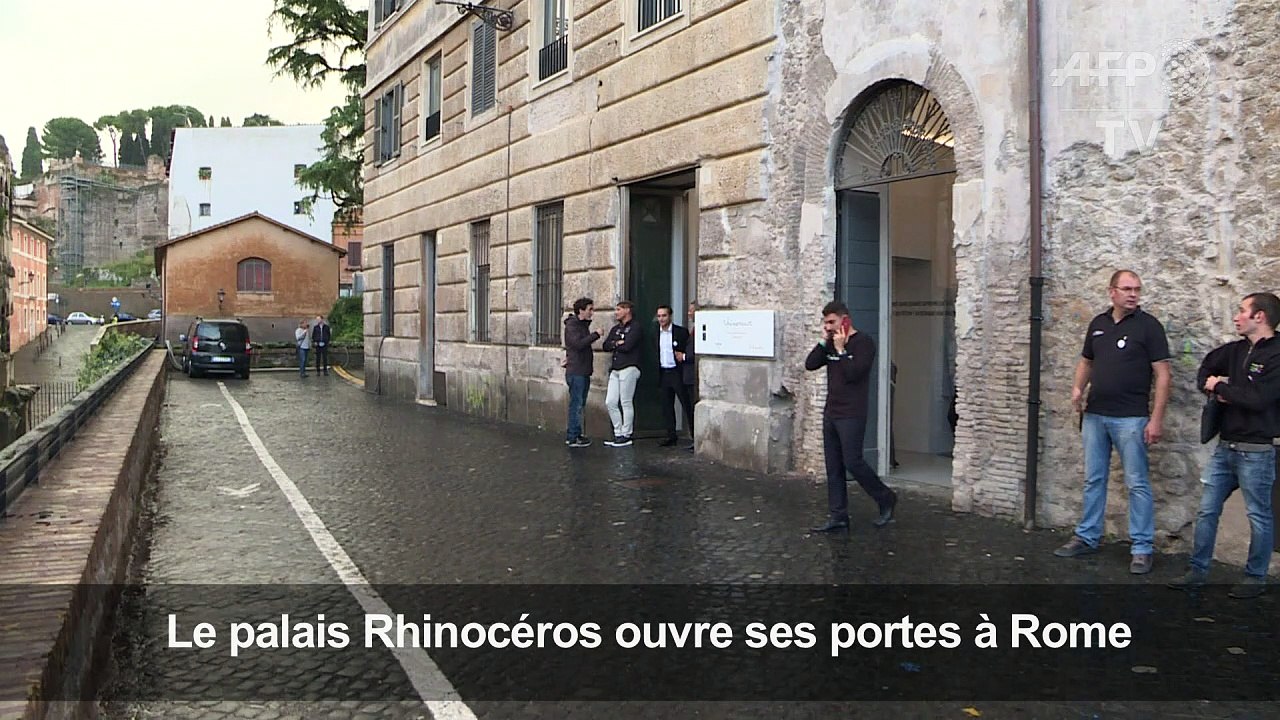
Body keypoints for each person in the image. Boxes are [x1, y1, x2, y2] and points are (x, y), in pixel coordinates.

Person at [1054, 270, 1170, 575]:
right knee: (1094, 479)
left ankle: (1142, 547)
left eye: (1137, 289)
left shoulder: (1149, 326)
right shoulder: (1098, 324)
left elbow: (1163, 375)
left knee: (1137, 482)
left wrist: (1156, 419)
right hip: (1096, 415)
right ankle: (1087, 536)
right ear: (1112, 292)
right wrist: (1077, 388)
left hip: (1131, 418)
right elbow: (1086, 361)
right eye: (1127, 289)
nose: (1133, 294)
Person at [1169, 292, 1280, 598]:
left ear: (1260, 316)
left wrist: (1222, 386)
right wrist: (1216, 388)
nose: (1236, 316)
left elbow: (1258, 400)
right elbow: (1206, 369)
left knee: (1259, 516)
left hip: (1257, 450)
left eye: (1242, 310)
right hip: (1225, 447)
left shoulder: (1276, 356)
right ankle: (1198, 570)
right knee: (1207, 510)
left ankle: (1255, 577)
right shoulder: (1234, 351)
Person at [805, 301, 897, 532]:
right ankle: (838, 516)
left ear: (845, 320)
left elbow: (854, 373)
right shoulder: (829, 343)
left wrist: (841, 351)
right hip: (831, 412)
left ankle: (885, 497)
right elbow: (810, 364)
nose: (828, 327)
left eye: (832, 322)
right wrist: (824, 342)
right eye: (825, 323)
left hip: (852, 413)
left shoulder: (864, 343)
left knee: (853, 462)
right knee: (833, 466)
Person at [602, 301, 643, 447]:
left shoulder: (636, 327)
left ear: (627, 310)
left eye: (619, 309)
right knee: (610, 401)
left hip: (629, 367)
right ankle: (617, 432)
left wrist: (619, 344)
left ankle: (626, 434)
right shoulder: (616, 328)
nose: (616, 312)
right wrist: (617, 343)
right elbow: (605, 345)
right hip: (615, 368)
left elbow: (628, 346)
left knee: (626, 401)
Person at [654, 304, 694, 447]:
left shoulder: (681, 332)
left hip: (677, 373)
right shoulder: (655, 333)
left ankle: (694, 435)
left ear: (670, 316)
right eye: (659, 316)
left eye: (664, 316)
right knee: (667, 406)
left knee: (687, 404)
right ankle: (671, 435)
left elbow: (688, 350)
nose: (661, 319)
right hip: (663, 372)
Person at [563, 298, 600, 448]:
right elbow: (578, 344)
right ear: (581, 310)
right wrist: (595, 335)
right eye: (590, 309)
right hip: (576, 371)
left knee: (580, 404)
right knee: (576, 404)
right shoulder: (573, 326)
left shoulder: (582, 325)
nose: (592, 312)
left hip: (583, 370)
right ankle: (573, 437)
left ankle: (576, 434)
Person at [683, 301, 700, 451]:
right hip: (688, 375)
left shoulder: (700, 330)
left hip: (694, 374)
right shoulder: (694, 329)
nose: (689, 313)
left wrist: (683, 357)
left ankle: (696, 437)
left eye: (691, 311)